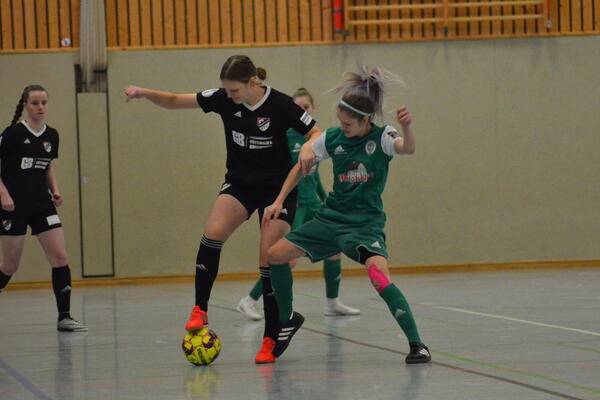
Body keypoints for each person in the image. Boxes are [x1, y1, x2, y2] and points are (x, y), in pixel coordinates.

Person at [123, 55, 321, 364]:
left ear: (252, 83)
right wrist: (145, 93)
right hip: (241, 184)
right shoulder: (223, 99)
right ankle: (200, 309)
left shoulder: (281, 105)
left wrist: (309, 146)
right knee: (212, 233)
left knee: (268, 258)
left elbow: (317, 133)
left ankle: (271, 336)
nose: (229, 97)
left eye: (235, 91)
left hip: (277, 191)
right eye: (226, 91)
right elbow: (176, 101)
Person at [262, 67, 431, 364]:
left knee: (379, 278)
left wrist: (407, 128)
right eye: (340, 121)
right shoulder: (333, 138)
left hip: (365, 224)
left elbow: (409, 148)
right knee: (275, 254)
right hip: (331, 219)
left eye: (348, 123)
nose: (343, 127)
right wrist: (278, 199)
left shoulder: (382, 138)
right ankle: (287, 319)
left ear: (365, 120)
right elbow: (302, 164)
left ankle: (417, 344)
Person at [237, 88, 359, 321]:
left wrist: (324, 199)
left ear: (313, 110)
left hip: (314, 205)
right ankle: (249, 300)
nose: (303, 111)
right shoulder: (285, 136)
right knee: (287, 259)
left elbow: (314, 178)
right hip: (296, 208)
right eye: (298, 108)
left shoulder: (316, 138)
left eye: (306, 108)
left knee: (334, 250)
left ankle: (332, 303)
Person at [0, 85, 87, 332]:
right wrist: (3, 194)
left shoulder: (52, 135)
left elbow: (47, 165)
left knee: (60, 256)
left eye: (44, 103)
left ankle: (65, 317)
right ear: (26, 105)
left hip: (41, 204)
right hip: (13, 206)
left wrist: (55, 190)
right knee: (9, 266)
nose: (40, 107)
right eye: (35, 103)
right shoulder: (13, 134)